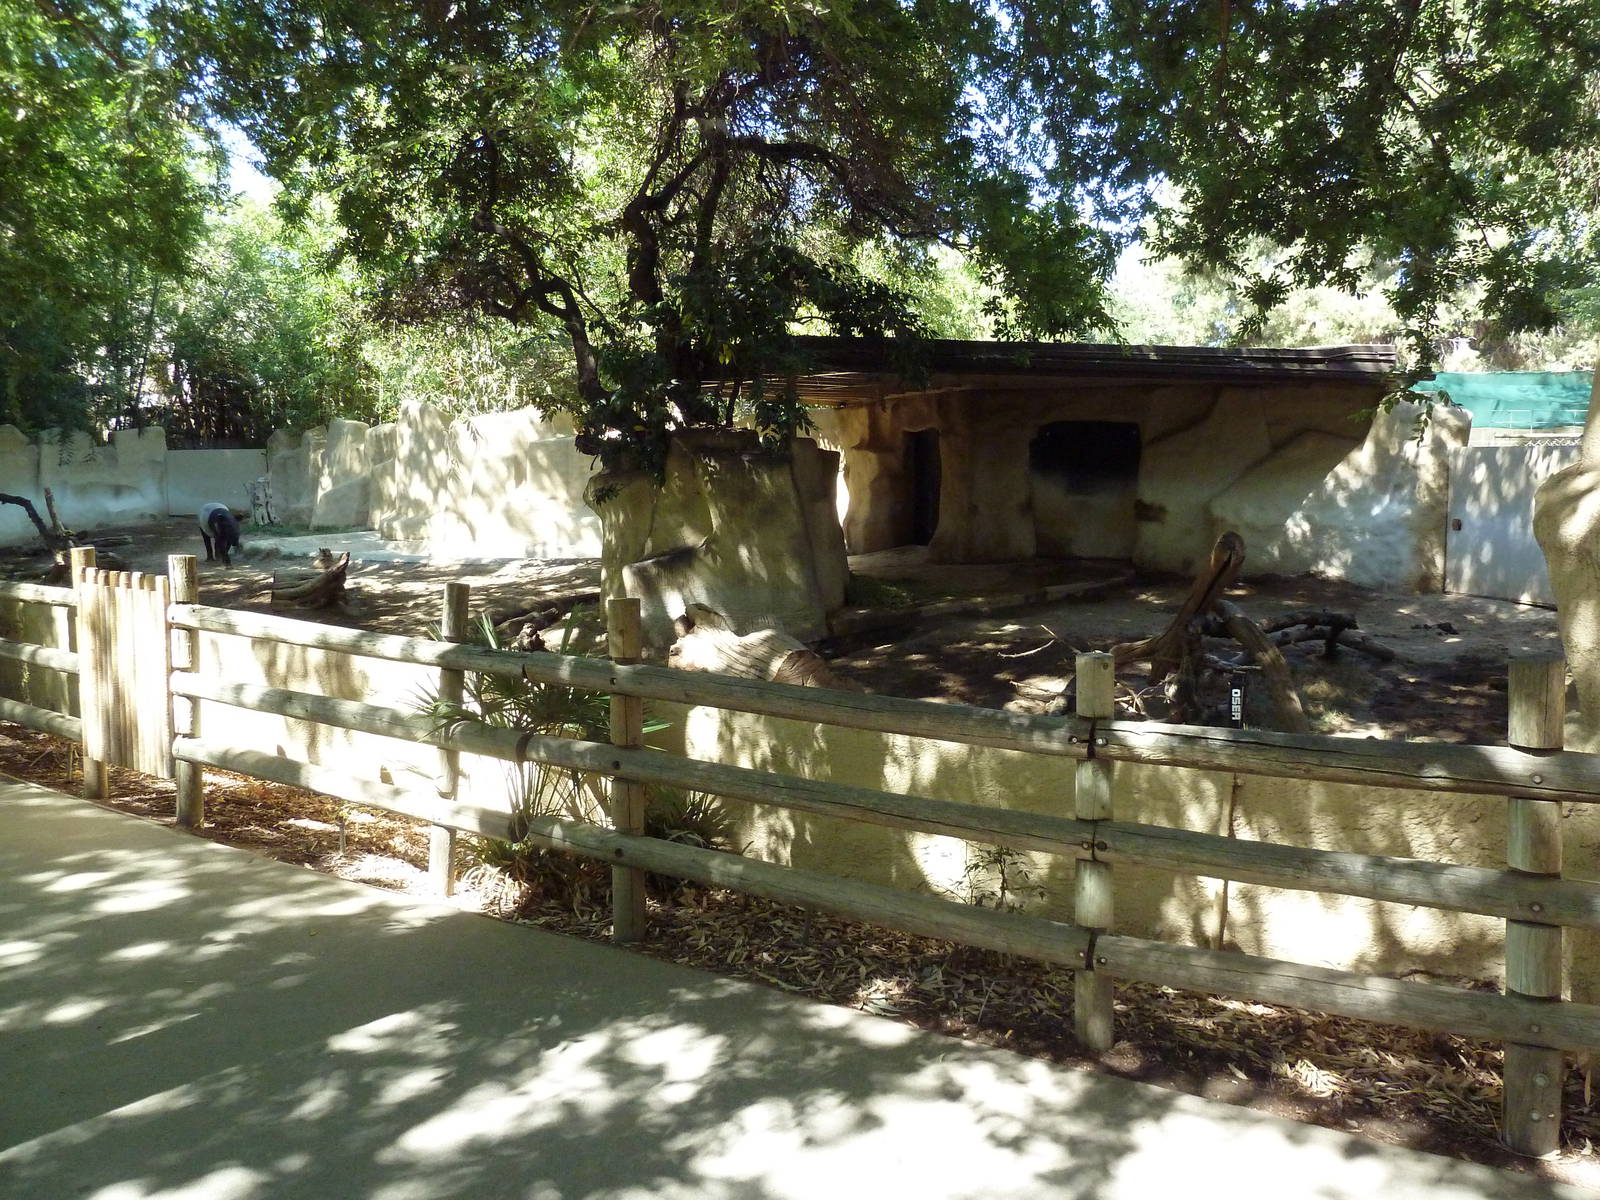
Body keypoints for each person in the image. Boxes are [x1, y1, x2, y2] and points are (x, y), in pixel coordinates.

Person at [198, 502, 243, 566]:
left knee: (220, 541)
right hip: (207, 515)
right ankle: (210, 555)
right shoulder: (218, 524)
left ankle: (218, 556)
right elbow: (220, 540)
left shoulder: (230, 523)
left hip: (218, 515)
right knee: (209, 539)